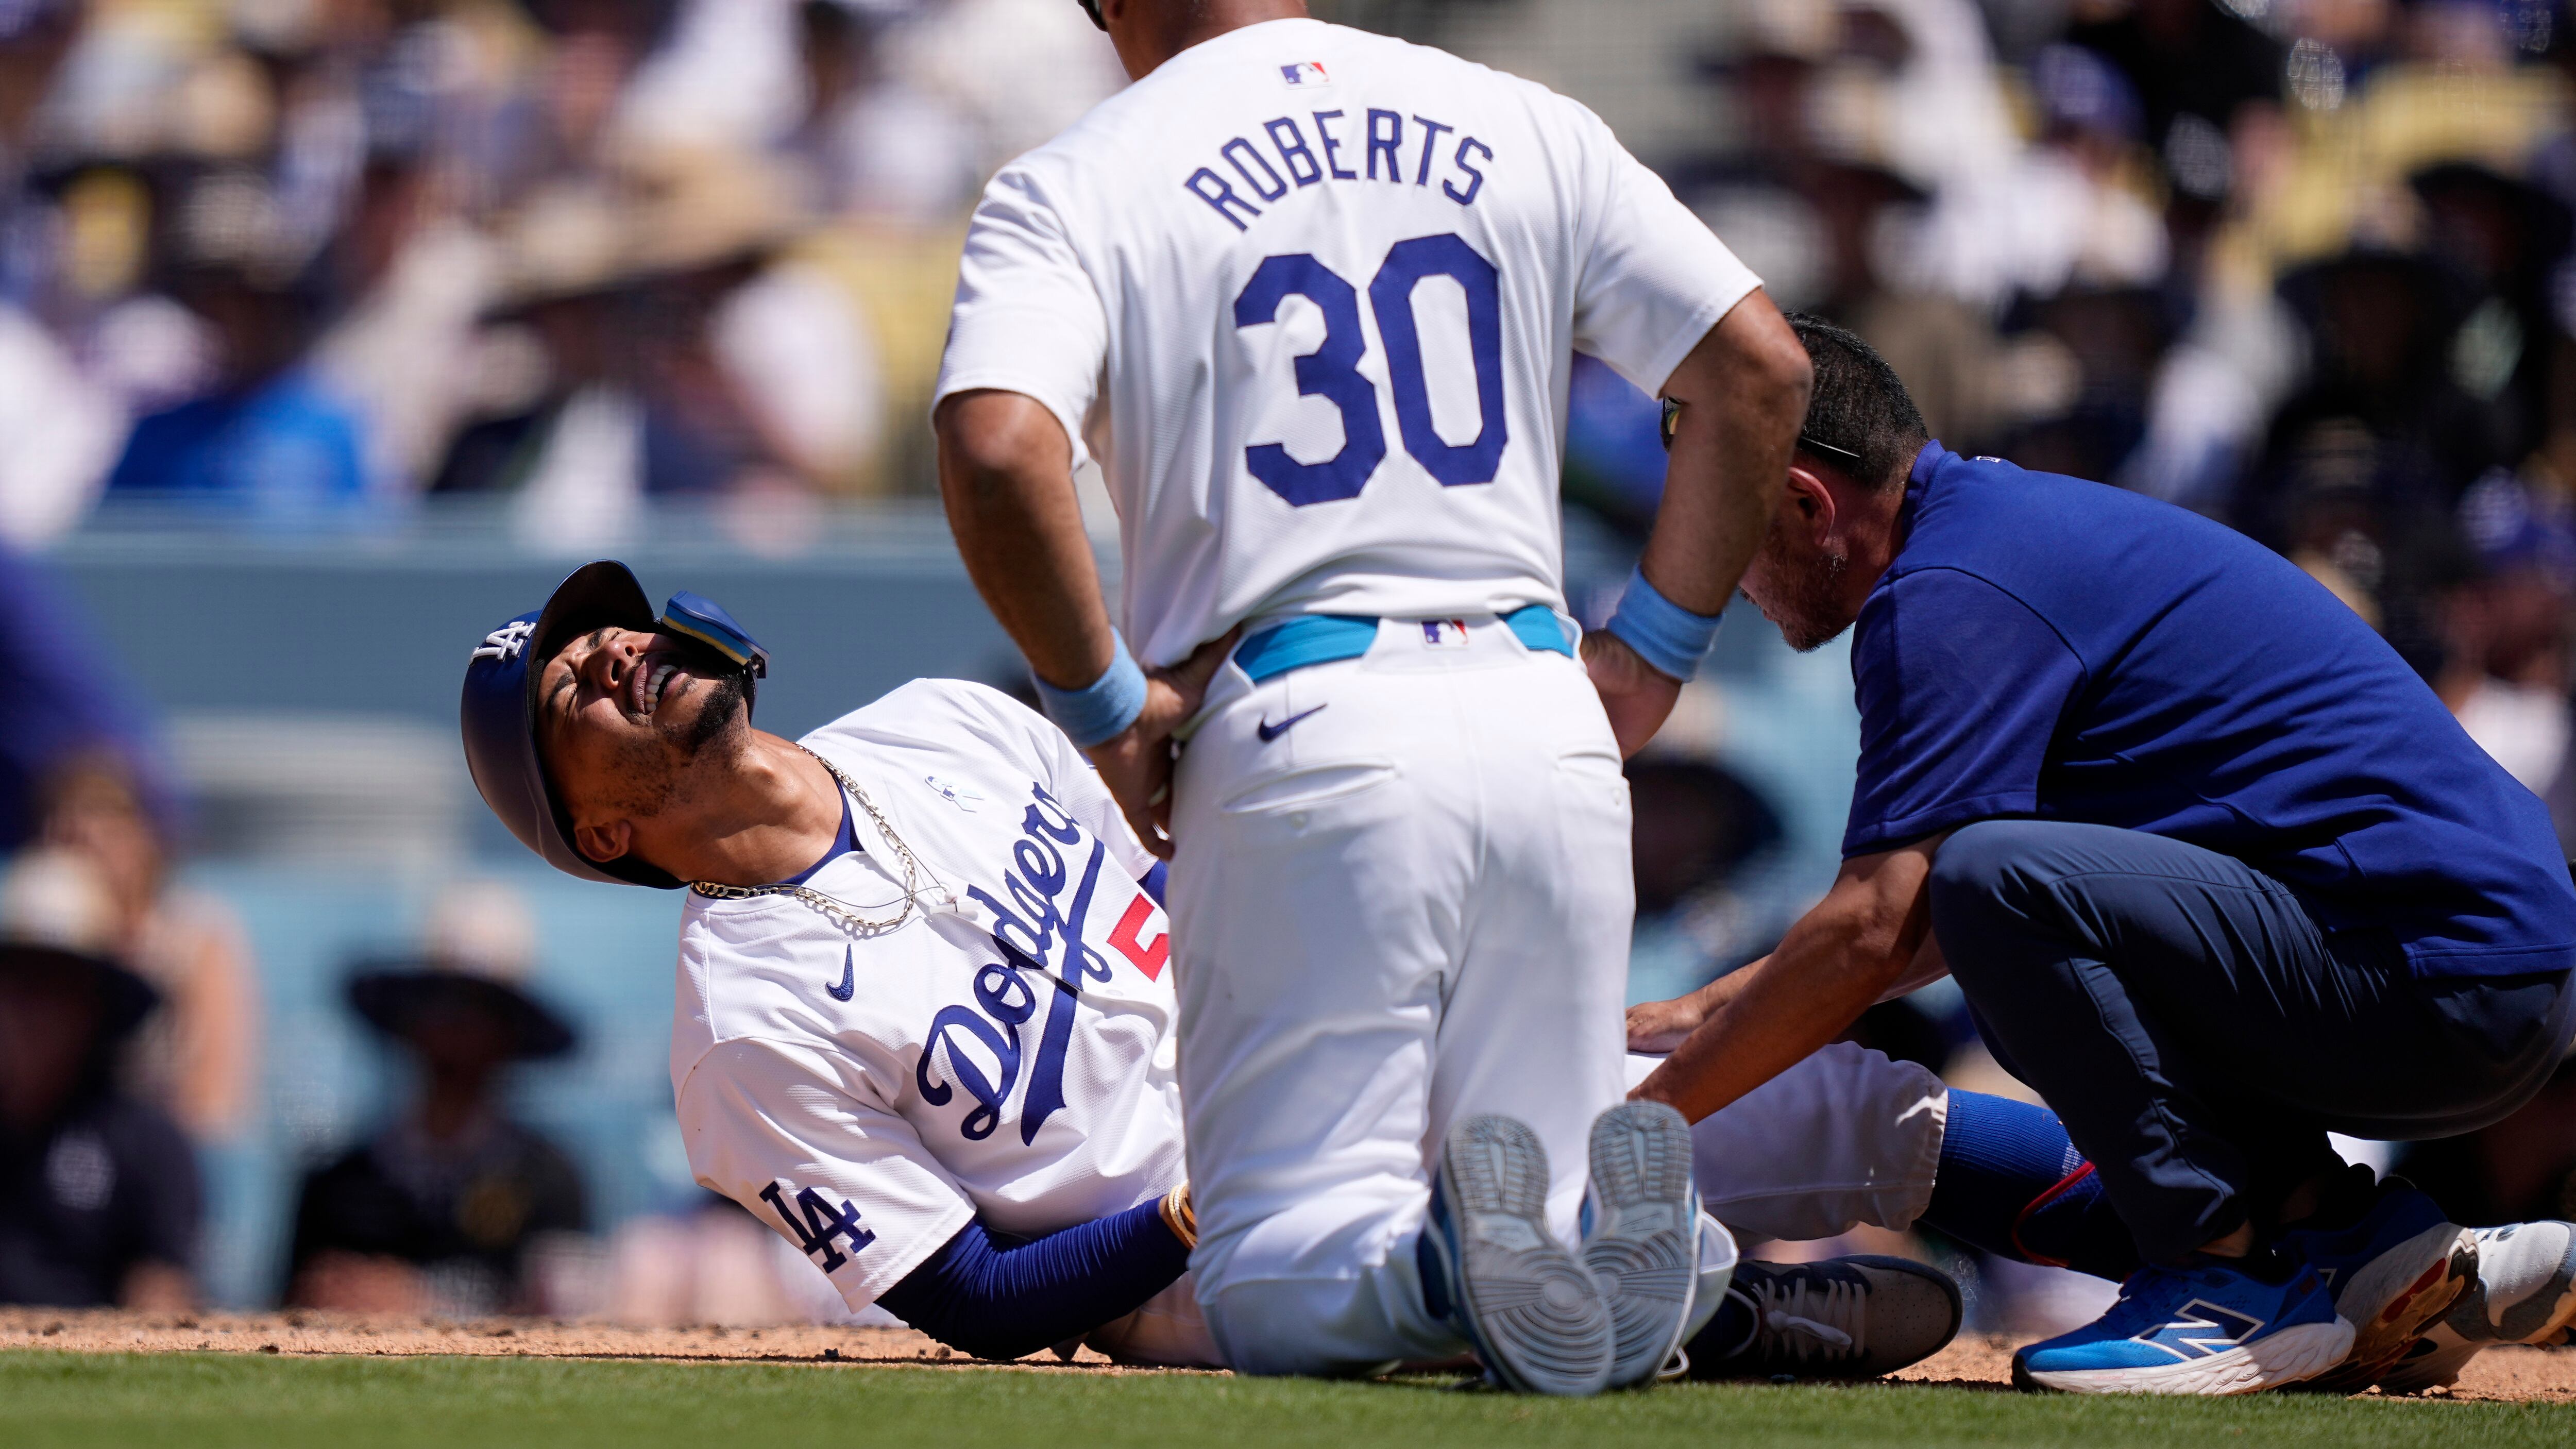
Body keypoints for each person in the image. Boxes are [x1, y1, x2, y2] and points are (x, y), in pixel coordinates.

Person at [456, 562, 1980, 1375]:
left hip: (1340, 1049)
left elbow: (1188, 877)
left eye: (607, 630)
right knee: (1462, 1251)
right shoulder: (740, 1029)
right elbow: (980, 1301)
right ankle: (1712, 1319)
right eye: (571, 690)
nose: (609, 653)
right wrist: (1197, 1204)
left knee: (1848, 1108)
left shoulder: (941, 720)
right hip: (1211, 1251)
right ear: (597, 826)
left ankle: (2206, 1234)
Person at [931, 0, 1810, 1392]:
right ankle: (1631, 1246)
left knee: (1276, 1271)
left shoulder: (1084, 172)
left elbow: (994, 444)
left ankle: (1461, 1259)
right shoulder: (1519, 116)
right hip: (1543, 703)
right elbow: (1760, 365)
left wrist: (1102, 707)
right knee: (1551, 1302)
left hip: (1303, 718)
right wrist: (1647, 651)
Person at [1629, 315, 2576, 1395]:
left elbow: (1888, 922)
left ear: (1804, 502)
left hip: (2436, 967)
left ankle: (2215, 1275)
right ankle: (2341, 1238)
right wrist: (1711, 1011)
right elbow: (1915, 928)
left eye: (1720, 525)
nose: (1712, 568)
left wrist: (1635, 1125)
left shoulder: (1948, 590)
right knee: (2001, 898)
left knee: (1997, 881)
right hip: (2462, 961)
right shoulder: (1983, 535)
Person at [286, 882, 589, 1317]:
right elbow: (276, 1317)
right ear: (408, 1021)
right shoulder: (336, 1183)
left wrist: (423, 1306)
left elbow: (567, 1326)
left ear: (509, 1034)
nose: (452, 1033)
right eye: (438, 1006)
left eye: (477, 1011)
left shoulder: (551, 1180)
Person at [0, 848, 200, 1309]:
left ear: (94, 1006)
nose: (30, 1012)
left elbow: (163, 1299)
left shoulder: (146, 1142)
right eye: (17, 984)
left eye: (55, 987)